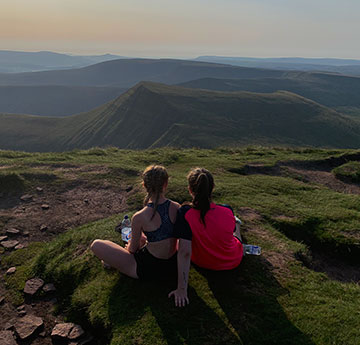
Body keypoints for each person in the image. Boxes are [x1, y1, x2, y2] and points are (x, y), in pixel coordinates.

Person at [169, 167, 244, 307]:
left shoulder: (185, 212)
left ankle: (237, 223)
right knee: (235, 232)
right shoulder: (227, 209)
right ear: (213, 187)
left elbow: (184, 252)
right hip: (233, 260)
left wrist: (182, 289)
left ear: (190, 190)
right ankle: (237, 222)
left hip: (203, 262)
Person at [90, 165, 180, 280]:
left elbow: (132, 250)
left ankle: (110, 262)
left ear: (144, 186)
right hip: (173, 267)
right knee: (142, 238)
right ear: (166, 183)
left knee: (97, 244)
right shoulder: (177, 207)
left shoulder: (139, 217)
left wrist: (126, 250)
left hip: (148, 269)